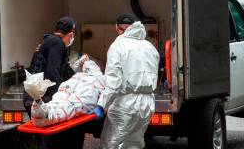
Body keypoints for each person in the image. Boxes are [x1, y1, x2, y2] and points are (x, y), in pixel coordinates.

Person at [89, 13, 160, 149]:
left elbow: (114, 82)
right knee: (134, 144)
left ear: (117, 27)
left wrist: (101, 105)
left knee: (111, 144)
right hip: (147, 104)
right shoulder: (150, 47)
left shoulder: (117, 46)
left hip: (125, 104)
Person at [23, 17, 85, 149]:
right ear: (71, 34)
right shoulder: (57, 44)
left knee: (49, 139)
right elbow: (53, 73)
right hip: (42, 98)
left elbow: (65, 71)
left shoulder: (49, 42)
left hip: (34, 97)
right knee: (53, 140)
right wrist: (59, 99)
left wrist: (82, 80)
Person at [28, 60, 105, 127]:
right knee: (68, 102)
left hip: (78, 90)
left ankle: (45, 112)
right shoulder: (96, 78)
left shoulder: (97, 78)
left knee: (67, 102)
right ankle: (45, 112)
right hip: (77, 91)